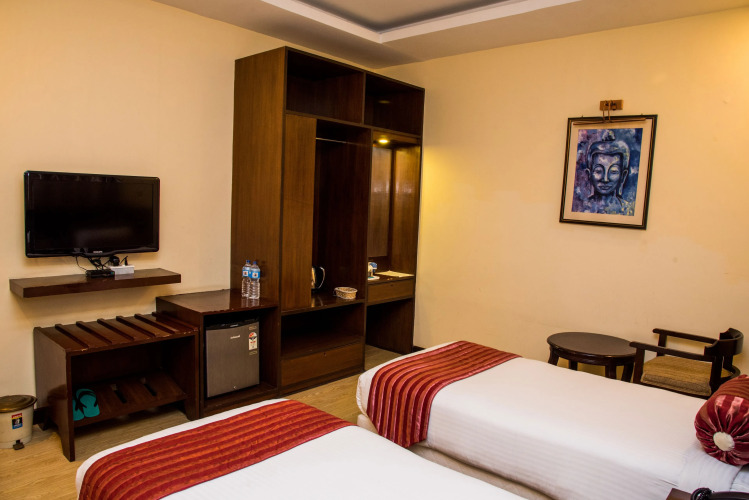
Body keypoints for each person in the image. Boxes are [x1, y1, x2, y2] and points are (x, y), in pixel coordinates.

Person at [577, 129, 635, 215]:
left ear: (623, 176)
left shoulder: (627, 210)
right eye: (598, 171)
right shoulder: (582, 208)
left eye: (613, 171)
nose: (605, 179)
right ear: (589, 174)